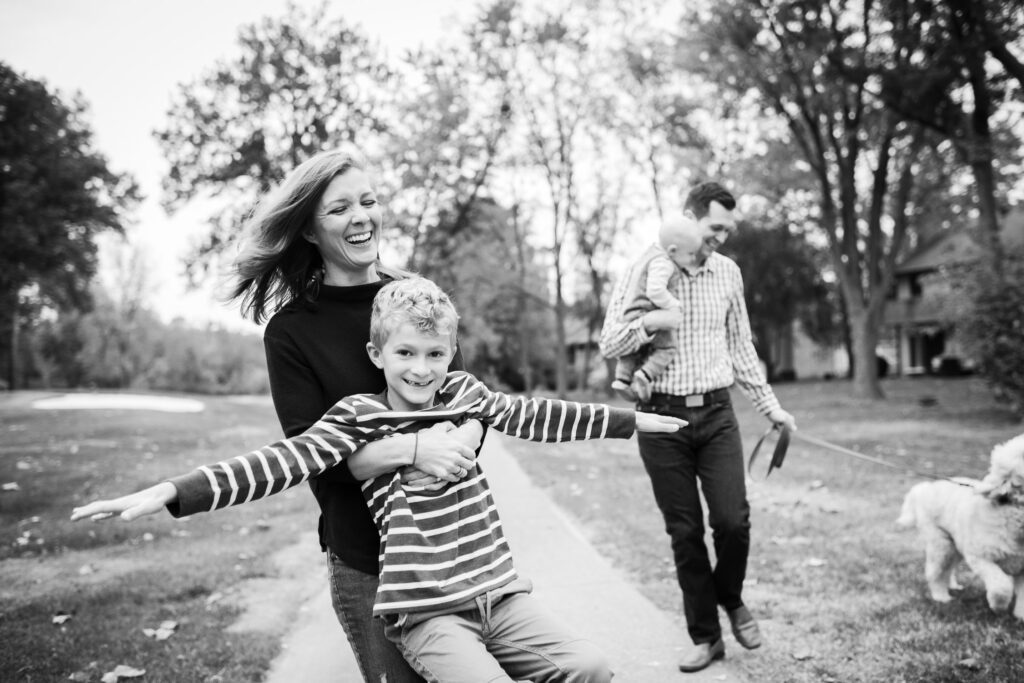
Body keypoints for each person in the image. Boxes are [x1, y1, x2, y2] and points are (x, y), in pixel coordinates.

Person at [72, 276, 687, 683]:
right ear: (377, 355)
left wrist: (630, 422)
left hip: (499, 596)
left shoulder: (466, 396)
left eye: (434, 354)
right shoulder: (359, 417)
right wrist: (174, 491)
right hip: (427, 613)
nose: (421, 369)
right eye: (406, 354)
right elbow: (280, 462)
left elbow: (541, 414)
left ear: (450, 354)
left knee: (591, 668)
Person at [118, 148, 482, 682]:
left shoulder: (415, 299)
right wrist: (415, 448)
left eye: (369, 201)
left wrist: (464, 436)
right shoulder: (292, 332)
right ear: (310, 230)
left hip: (449, 552)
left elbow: (470, 405)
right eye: (339, 209)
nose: (361, 217)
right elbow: (314, 459)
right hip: (365, 562)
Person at [599, 181, 797, 674]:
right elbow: (609, 342)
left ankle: (730, 597)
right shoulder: (647, 267)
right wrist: (653, 320)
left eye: (729, 230)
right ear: (688, 219)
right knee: (684, 532)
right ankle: (705, 636)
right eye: (715, 229)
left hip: (716, 413)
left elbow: (741, 345)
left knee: (733, 520)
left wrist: (770, 407)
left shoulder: (727, 272)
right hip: (660, 418)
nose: (723, 239)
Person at [610, 215, 702, 402]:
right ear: (673, 250)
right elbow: (655, 291)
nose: (694, 258)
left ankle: (622, 378)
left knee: (635, 350)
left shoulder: (648, 255)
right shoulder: (664, 263)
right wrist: (674, 305)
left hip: (632, 312)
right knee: (667, 348)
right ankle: (645, 375)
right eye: (691, 254)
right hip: (648, 312)